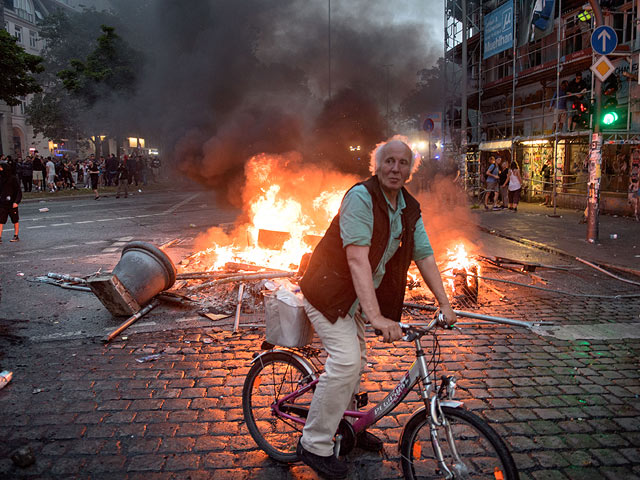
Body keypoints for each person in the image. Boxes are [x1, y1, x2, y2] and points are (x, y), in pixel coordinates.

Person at [297, 138, 457, 479]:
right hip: (327, 292)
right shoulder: (360, 198)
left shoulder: (408, 207)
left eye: (403, 163)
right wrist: (376, 317)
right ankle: (314, 443)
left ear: (410, 169)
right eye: (389, 161)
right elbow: (356, 260)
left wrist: (445, 303)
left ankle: (347, 427)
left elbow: (424, 255)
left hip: (353, 298)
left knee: (358, 362)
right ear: (377, 165)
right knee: (346, 362)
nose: (395, 168)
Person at [0, 162, 22, 243]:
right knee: (1, 220)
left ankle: (16, 235)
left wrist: (16, 201)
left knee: (15, 219)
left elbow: (18, 191)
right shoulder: (1, 178)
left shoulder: (13, 178)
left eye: (1, 168)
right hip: (2, 203)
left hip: (12, 202)